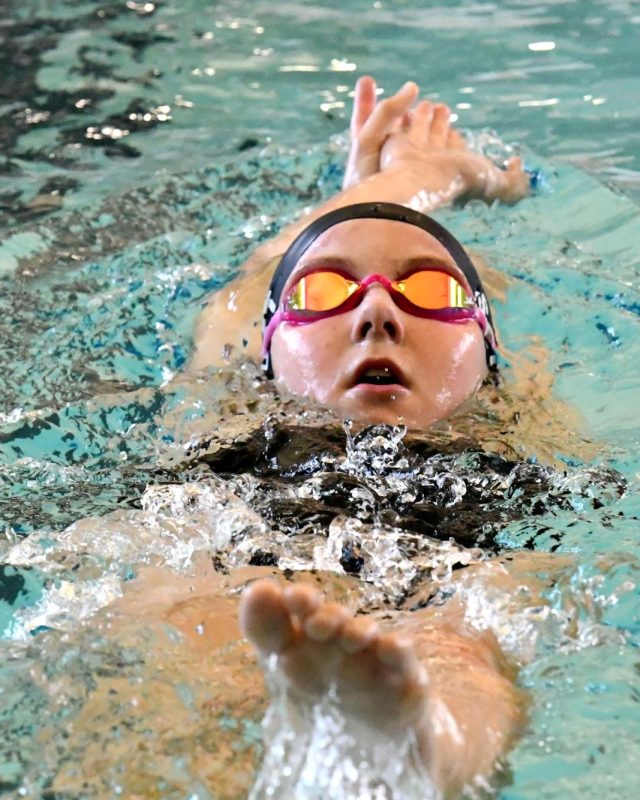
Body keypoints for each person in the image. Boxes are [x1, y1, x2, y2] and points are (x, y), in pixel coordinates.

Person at [188, 76, 538, 795]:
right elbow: (258, 273)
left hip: (443, 548)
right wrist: (423, 177)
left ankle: (416, 744)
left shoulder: (515, 424)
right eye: (323, 290)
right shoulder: (227, 401)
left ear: (488, 347)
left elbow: (266, 266)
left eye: (431, 291)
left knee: (464, 642)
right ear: (264, 348)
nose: (376, 308)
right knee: (170, 618)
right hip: (224, 533)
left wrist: (390, 190)